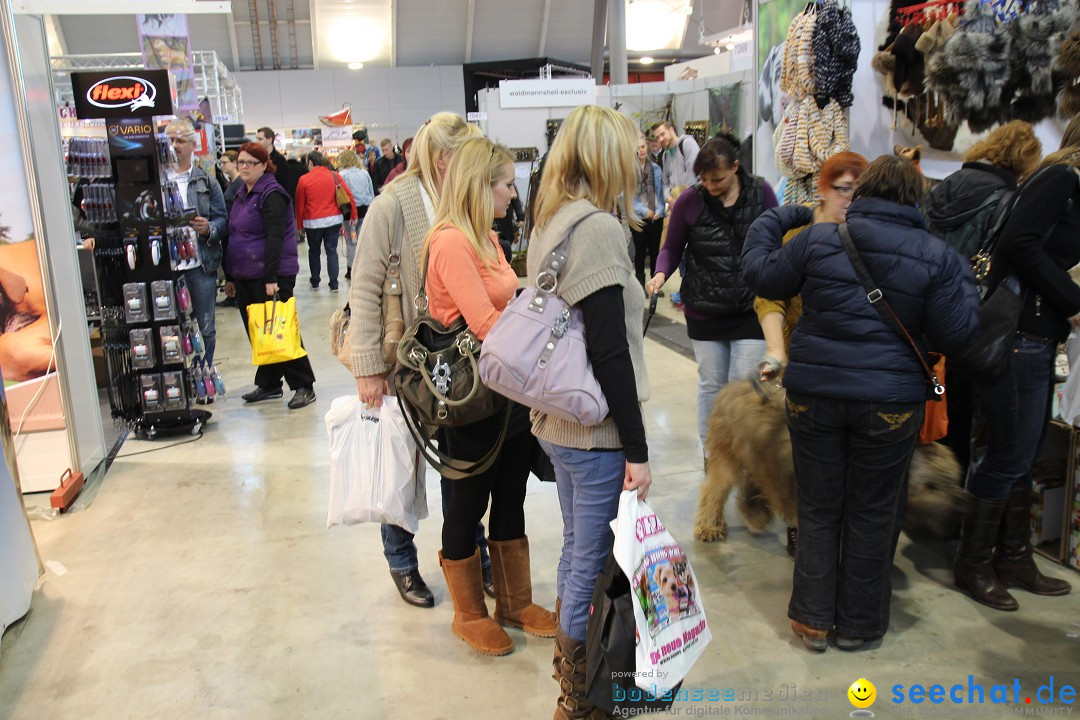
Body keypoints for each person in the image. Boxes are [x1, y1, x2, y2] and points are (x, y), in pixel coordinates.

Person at [742, 155, 982, 651]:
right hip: (890, 402)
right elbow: (957, 336)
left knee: (819, 505)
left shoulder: (818, 239)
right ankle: (859, 626)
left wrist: (779, 215)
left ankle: (811, 620)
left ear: (863, 193)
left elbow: (762, 277)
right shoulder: (936, 255)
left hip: (815, 397)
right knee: (875, 512)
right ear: (917, 198)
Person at [529, 105, 652, 718]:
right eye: (630, 149)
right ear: (606, 155)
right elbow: (610, 351)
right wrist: (639, 448)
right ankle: (578, 699)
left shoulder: (551, 220)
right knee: (590, 563)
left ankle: (574, 687)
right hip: (595, 430)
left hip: (561, 424)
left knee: (577, 550)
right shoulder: (600, 229)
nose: (639, 158)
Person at [424, 138, 556, 656]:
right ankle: (469, 612)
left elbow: (510, 306)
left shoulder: (486, 237)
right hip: (473, 398)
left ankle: (515, 602)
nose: (512, 193)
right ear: (480, 184)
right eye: (505, 184)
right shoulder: (452, 241)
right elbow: (485, 324)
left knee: (511, 494)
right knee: (468, 502)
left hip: (509, 392)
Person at [350, 112, 485, 609]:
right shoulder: (393, 205)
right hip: (402, 362)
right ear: (445, 159)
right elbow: (364, 285)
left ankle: (469, 552)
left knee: (461, 463)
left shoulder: (461, 201)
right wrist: (367, 367)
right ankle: (402, 561)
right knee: (399, 465)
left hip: (454, 361)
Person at [954, 115, 1080, 612]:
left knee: (1022, 453)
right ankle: (974, 562)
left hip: (1038, 335)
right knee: (1008, 453)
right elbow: (1018, 243)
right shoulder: (1060, 179)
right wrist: (1071, 300)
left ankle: (1014, 556)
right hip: (1019, 333)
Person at [753, 151, 868, 559]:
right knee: (800, 456)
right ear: (822, 189)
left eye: (859, 190)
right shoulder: (795, 237)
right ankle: (799, 525)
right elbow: (769, 295)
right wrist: (776, 350)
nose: (851, 199)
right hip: (799, 364)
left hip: (850, 368)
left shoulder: (866, 237)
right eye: (844, 189)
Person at [922, 121, 1043, 475]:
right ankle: (955, 517)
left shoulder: (943, 188)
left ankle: (928, 504)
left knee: (932, 416)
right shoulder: (1008, 200)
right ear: (1024, 160)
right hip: (971, 322)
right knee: (966, 422)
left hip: (926, 318)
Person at [645, 133, 778, 451]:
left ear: (735, 167)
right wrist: (660, 275)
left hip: (752, 308)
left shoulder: (762, 193)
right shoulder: (691, 199)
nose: (711, 185)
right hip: (705, 309)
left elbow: (779, 238)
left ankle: (745, 458)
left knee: (745, 386)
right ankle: (713, 453)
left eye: (717, 179)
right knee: (712, 386)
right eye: (704, 179)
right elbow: (673, 247)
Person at [226, 142, 317, 410]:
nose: (243, 167)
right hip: (245, 274)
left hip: (271, 274)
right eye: (240, 162)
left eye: (249, 163)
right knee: (259, 330)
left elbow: (276, 238)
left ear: (264, 165)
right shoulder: (243, 193)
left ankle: (303, 385)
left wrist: (270, 278)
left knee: (280, 330)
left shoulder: (272, 193)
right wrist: (231, 276)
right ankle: (269, 383)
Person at [164, 119, 227, 373]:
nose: (174, 145)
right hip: (166, 267)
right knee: (170, 326)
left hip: (200, 265)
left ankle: (202, 375)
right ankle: (177, 379)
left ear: (192, 144)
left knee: (205, 325)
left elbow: (223, 219)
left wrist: (209, 228)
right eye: (169, 140)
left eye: (179, 140)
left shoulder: (206, 181)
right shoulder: (155, 181)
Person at [294, 151, 356, 293]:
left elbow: (300, 205)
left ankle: (315, 281)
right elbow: (349, 196)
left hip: (312, 222)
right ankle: (334, 284)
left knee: (314, 252)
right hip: (333, 220)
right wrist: (353, 214)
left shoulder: (303, 180)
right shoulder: (334, 175)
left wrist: (300, 226)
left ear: (310, 163)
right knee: (331, 252)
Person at [335, 149, 375, 280]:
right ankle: (365, 267)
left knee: (352, 241)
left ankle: (351, 268)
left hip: (350, 213)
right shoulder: (364, 173)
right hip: (364, 210)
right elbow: (371, 192)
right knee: (363, 239)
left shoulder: (342, 174)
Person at [631, 135, 665, 288]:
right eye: (638, 148)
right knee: (639, 254)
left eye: (643, 147)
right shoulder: (630, 171)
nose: (641, 150)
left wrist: (660, 209)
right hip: (639, 218)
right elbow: (630, 199)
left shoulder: (656, 169)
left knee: (655, 253)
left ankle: (655, 284)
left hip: (656, 217)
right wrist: (645, 211)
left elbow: (661, 193)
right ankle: (640, 285)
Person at [651, 120, 700, 201]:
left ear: (671, 130)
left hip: (692, 199)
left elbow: (693, 175)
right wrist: (669, 198)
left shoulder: (687, 144)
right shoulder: (665, 156)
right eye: (657, 137)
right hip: (676, 203)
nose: (661, 139)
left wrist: (680, 199)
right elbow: (665, 182)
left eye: (662, 134)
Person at [255, 127, 295, 199]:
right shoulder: (257, 158)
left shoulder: (279, 160)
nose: (257, 142)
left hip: (274, 198)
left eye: (260, 139)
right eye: (257, 139)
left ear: (269, 140)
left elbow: (283, 183)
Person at [492, 179, 524, 263]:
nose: (513, 194)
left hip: (506, 221)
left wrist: (520, 217)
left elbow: (516, 202)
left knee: (506, 246)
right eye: (508, 185)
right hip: (495, 224)